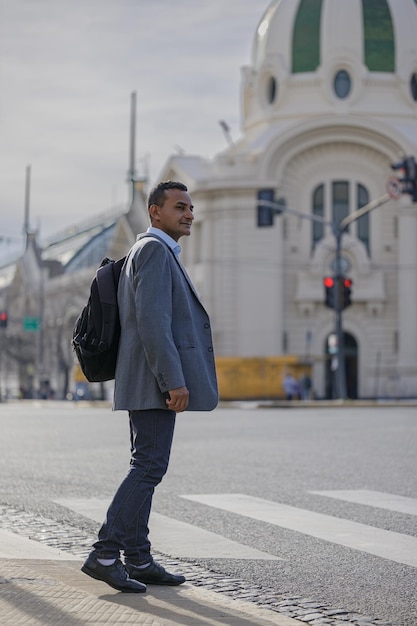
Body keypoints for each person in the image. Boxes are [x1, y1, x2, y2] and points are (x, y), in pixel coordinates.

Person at [81, 181, 218, 593]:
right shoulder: (155, 251)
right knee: (149, 466)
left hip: (143, 378)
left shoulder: (149, 251)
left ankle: (137, 557)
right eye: (180, 207)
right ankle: (105, 554)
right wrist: (173, 381)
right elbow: (153, 322)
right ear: (155, 211)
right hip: (154, 380)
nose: (189, 214)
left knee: (146, 462)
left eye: (191, 207)